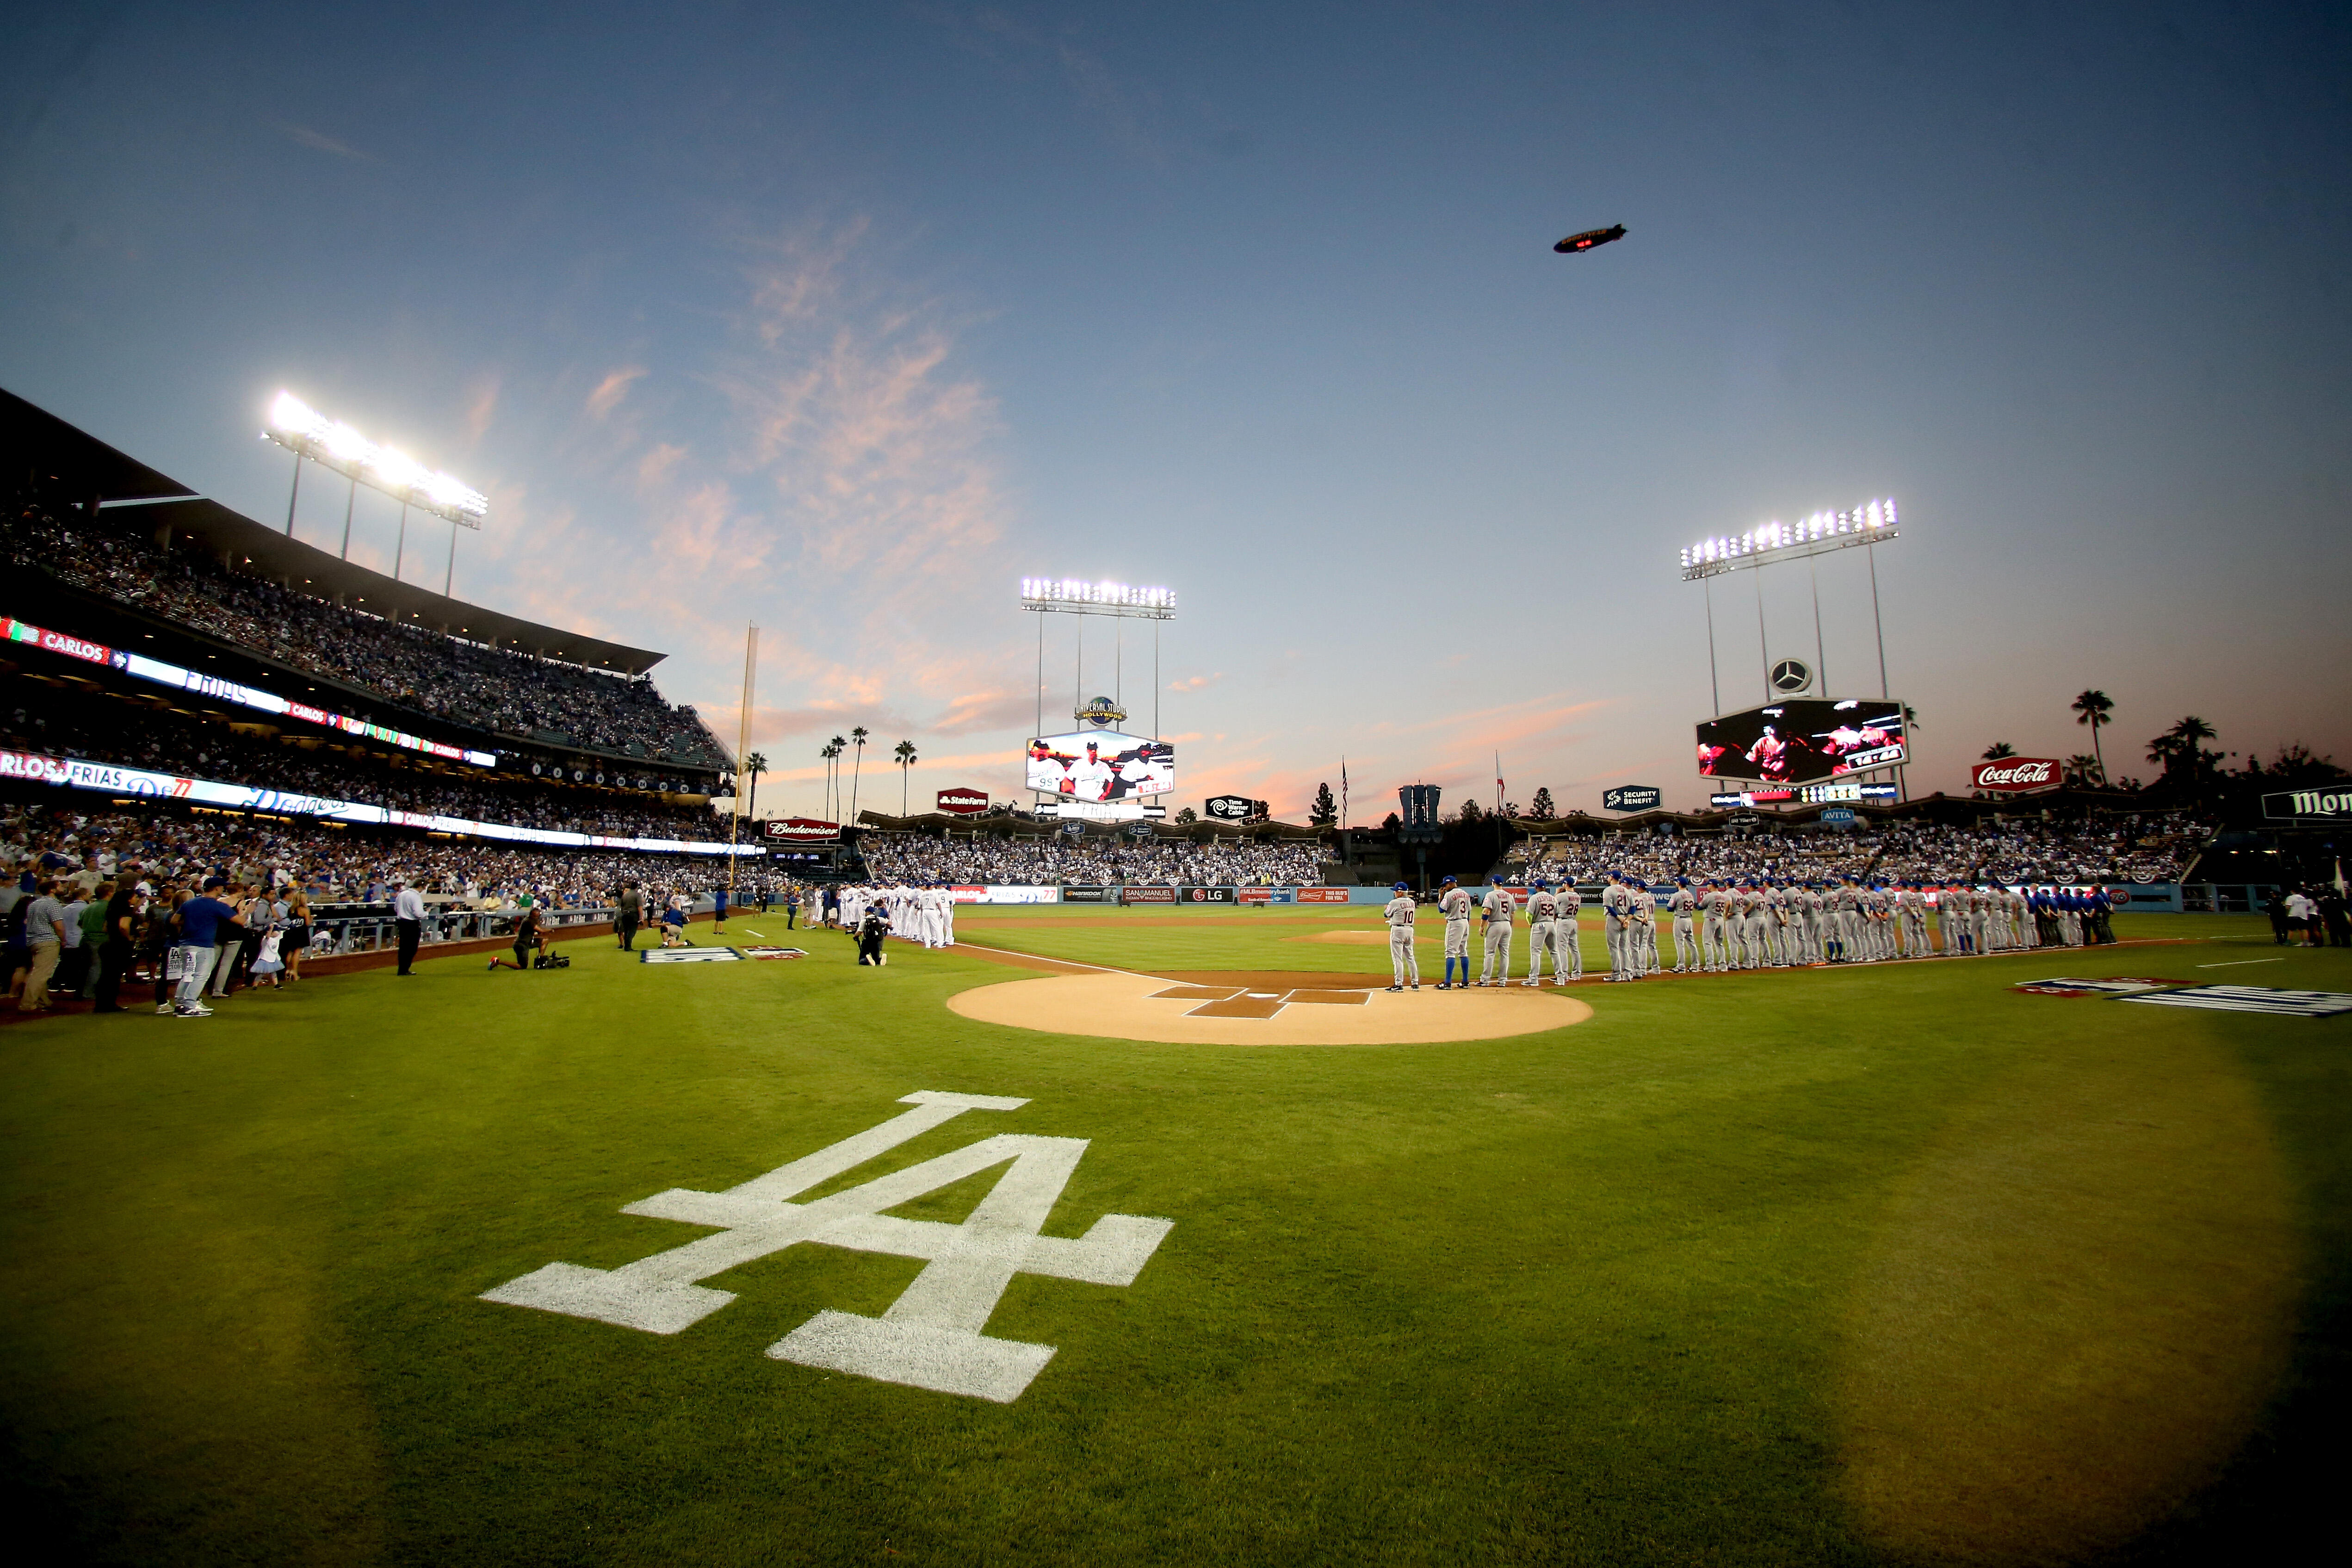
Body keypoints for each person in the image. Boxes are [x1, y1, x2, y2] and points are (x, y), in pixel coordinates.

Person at [174, 877, 236, 1017]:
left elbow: (175, 921)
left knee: (188, 975)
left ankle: (180, 1004)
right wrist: (247, 910)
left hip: (186, 944)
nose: (223, 889)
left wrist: (193, 922)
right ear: (216, 888)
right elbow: (240, 921)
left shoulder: (190, 903)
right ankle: (189, 1005)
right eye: (222, 887)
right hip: (203, 946)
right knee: (201, 976)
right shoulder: (216, 905)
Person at [17, 880, 68, 1012]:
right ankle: (28, 1004)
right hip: (48, 940)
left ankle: (43, 1001)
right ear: (52, 890)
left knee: (39, 972)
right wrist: (63, 940)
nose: (63, 887)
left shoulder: (34, 903)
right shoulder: (53, 904)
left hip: (33, 941)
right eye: (60, 886)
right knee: (41, 974)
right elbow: (59, 927)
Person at [94, 879, 136, 1013]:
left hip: (108, 944)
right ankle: (110, 1004)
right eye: (134, 897)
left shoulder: (111, 910)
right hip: (119, 946)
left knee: (105, 976)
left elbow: (105, 928)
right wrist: (129, 937)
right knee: (114, 977)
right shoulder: (127, 911)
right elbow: (123, 926)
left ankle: (101, 1004)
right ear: (129, 899)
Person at [1381, 881, 1419, 992]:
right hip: (1409, 929)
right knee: (1410, 957)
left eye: (1396, 891)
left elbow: (1386, 914)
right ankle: (1415, 983)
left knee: (1397, 958)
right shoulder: (1412, 902)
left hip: (1398, 930)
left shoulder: (1395, 903)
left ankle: (1398, 984)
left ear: (1400, 893)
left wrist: (1387, 908)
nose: (1394, 893)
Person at [1436, 875, 1472, 990]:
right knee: (1463, 951)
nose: (1445, 888)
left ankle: (1447, 983)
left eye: (1445, 885)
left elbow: (1441, 910)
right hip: (1465, 922)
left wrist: (1440, 896)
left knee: (1450, 952)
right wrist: (1467, 923)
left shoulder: (1449, 895)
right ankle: (1465, 981)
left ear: (1450, 884)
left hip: (1455, 923)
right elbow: (1469, 911)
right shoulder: (1466, 894)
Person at [1522, 880, 1559, 986]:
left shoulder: (1534, 897)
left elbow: (1529, 914)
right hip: (1551, 924)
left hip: (1539, 925)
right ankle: (1561, 978)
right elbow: (1557, 914)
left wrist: (1531, 924)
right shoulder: (1553, 898)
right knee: (1554, 951)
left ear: (1536, 887)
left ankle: (1534, 979)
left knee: (1536, 952)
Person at [489, 900, 543, 971]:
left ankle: (540, 959)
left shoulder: (529, 920)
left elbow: (539, 933)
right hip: (522, 945)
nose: (538, 918)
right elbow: (541, 931)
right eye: (538, 916)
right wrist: (551, 930)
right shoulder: (529, 921)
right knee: (522, 966)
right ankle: (498, 962)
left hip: (525, 943)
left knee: (544, 941)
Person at [393, 879, 424, 974]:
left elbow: (396, 908)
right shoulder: (416, 896)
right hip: (412, 923)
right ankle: (405, 969)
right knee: (412, 948)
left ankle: (402, 969)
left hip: (401, 922)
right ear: (420, 887)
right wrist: (426, 913)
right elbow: (418, 913)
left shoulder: (402, 894)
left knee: (403, 947)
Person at [615, 881, 644, 949]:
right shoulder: (638, 895)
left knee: (626, 930)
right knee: (632, 931)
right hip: (633, 914)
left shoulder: (625, 895)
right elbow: (640, 906)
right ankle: (628, 946)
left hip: (625, 914)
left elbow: (622, 906)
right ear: (637, 887)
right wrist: (642, 917)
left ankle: (627, 946)